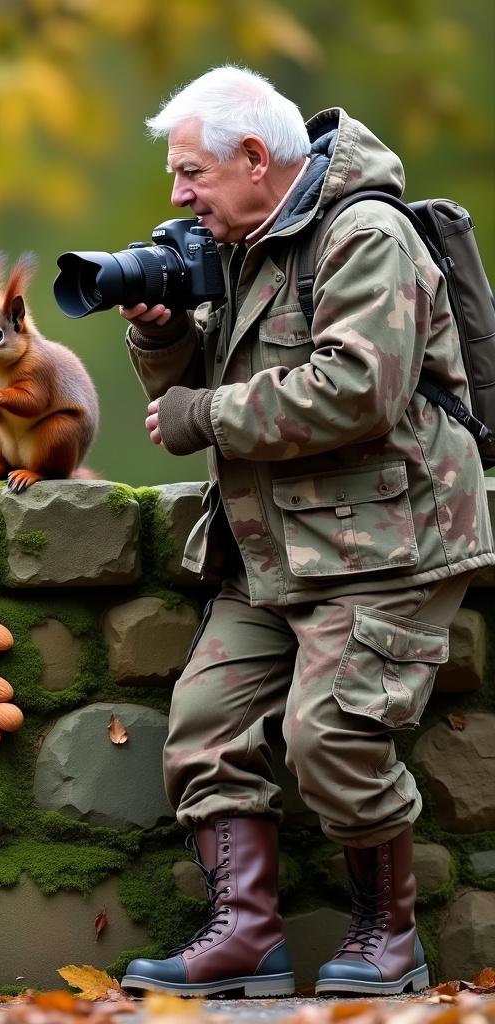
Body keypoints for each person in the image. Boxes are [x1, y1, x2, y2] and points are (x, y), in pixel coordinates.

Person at [117, 66, 494, 999]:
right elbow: (197, 385)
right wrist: (163, 339)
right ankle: (244, 936)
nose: (178, 195)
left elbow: (358, 390)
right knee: (203, 730)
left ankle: (389, 937)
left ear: (255, 157)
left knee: (329, 733)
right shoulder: (246, 243)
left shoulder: (368, 236)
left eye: (192, 172)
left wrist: (201, 411)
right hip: (274, 541)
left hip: (387, 538)